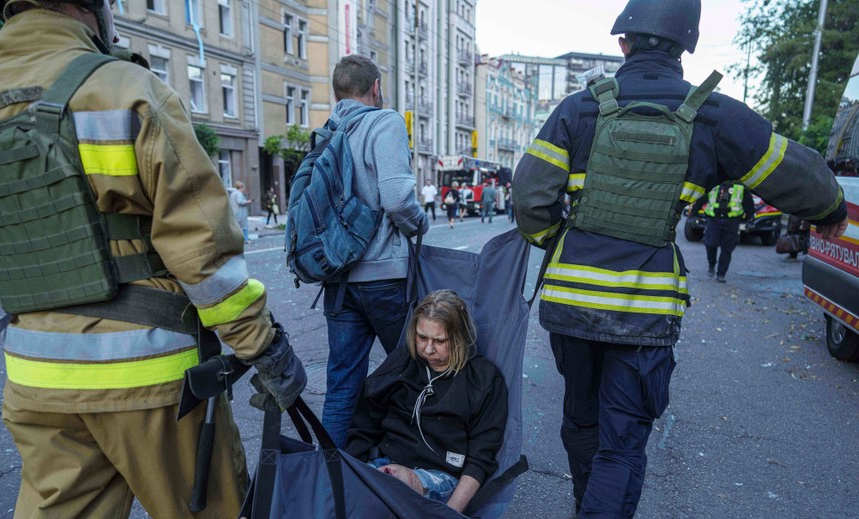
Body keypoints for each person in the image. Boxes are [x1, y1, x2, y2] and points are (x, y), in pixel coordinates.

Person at [0, 1, 306, 517]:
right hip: (152, 379)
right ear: (90, 7)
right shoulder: (127, 89)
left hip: (37, 377)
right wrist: (262, 346)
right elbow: (202, 248)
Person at [512, 0, 848, 516]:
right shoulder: (712, 114)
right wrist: (831, 207)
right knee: (622, 441)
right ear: (685, 49)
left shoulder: (578, 108)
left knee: (581, 421)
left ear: (623, 43)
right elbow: (800, 174)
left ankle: (587, 501)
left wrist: (561, 240)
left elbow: (530, 196)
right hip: (644, 312)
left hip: (570, 305)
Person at [320, 54, 428, 447]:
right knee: (415, 374)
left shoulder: (327, 132)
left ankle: (328, 480)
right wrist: (421, 225)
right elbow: (398, 199)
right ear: (376, 88)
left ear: (338, 92)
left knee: (341, 385)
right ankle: (411, 471)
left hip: (338, 277)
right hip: (384, 277)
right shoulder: (386, 121)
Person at [346, 290, 508, 514]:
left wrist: (450, 513)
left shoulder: (483, 379)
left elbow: (481, 458)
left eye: (440, 341)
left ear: (459, 337)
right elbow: (364, 425)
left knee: (395, 485)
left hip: (440, 475)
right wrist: (349, 474)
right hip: (385, 464)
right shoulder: (402, 364)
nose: (428, 349)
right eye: (422, 338)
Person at [691, 181, 754, 282]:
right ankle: (712, 264)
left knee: (727, 248)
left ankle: (721, 274)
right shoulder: (713, 182)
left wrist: (750, 218)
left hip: (732, 221)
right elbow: (702, 198)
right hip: (713, 219)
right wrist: (693, 213)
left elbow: (748, 203)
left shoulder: (740, 186)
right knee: (711, 243)